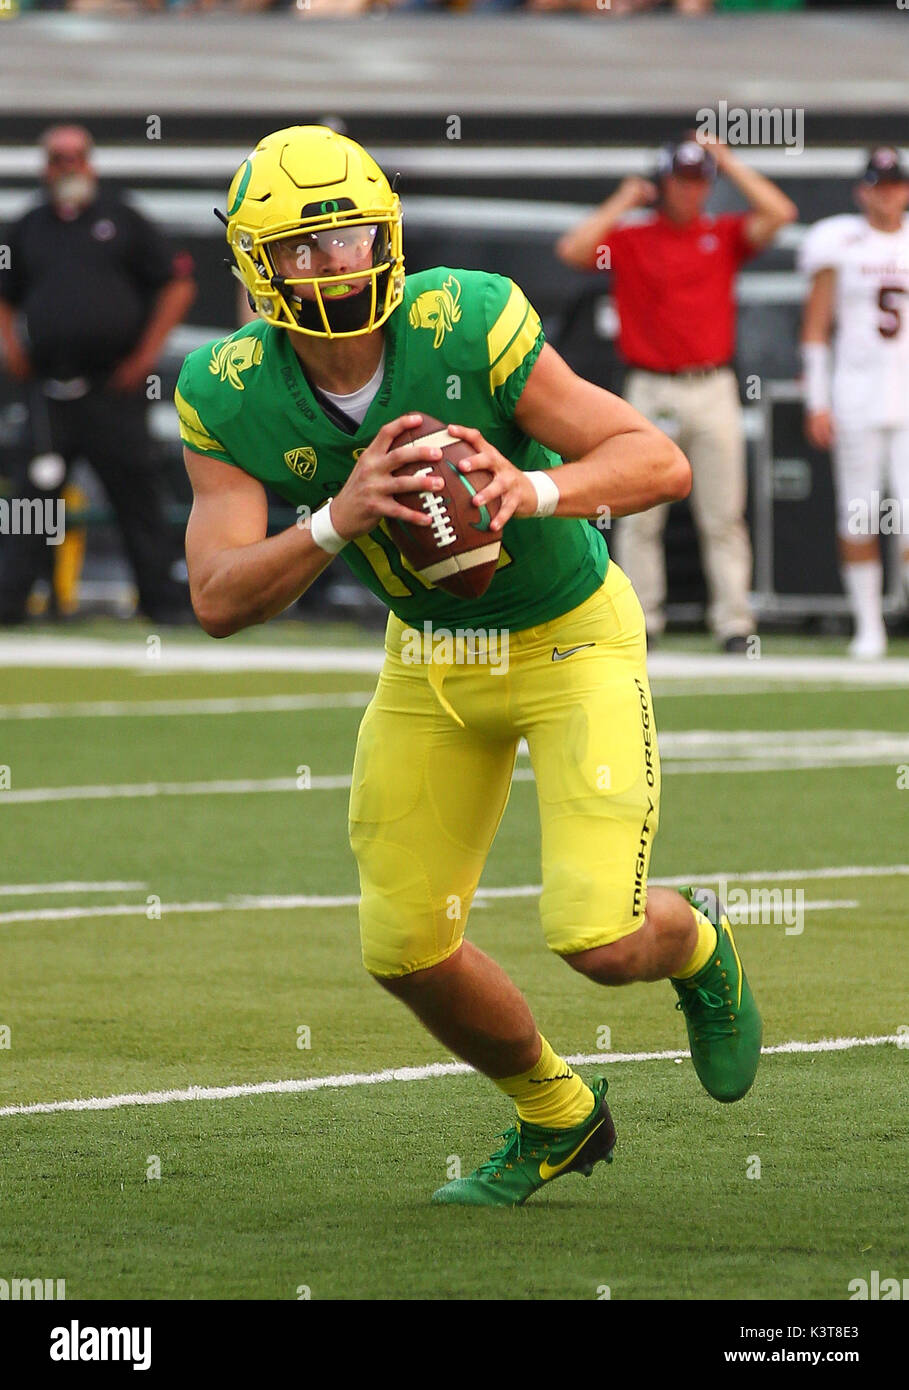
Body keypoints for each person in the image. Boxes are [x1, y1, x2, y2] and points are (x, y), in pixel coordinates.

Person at [175, 126, 762, 1208]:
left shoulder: (466, 317)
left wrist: (530, 488)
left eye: (347, 236)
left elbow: (657, 459)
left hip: (570, 632)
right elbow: (214, 599)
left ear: (384, 235)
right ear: (257, 265)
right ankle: (558, 1114)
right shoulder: (226, 387)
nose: (334, 263)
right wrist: (334, 522)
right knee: (402, 945)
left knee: (600, 936)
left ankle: (700, 947)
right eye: (302, 248)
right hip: (431, 660)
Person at [556, 136, 797, 652]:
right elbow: (572, 250)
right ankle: (644, 620)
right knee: (640, 513)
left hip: (712, 384)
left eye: (699, 180)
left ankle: (735, 624)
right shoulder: (635, 238)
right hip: (650, 385)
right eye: (682, 180)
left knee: (724, 512)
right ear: (662, 184)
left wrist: (728, 160)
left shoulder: (723, 234)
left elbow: (780, 211)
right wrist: (624, 199)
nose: (691, 191)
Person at [0, 124, 197, 625]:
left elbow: (177, 282)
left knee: (138, 496)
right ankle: (14, 603)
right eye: (57, 158)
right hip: (48, 388)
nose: (67, 167)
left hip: (113, 387)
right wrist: (13, 347)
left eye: (76, 157)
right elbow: (6, 292)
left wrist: (144, 356)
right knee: (30, 499)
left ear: (91, 163)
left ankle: (162, 603)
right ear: (44, 167)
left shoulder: (121, 217)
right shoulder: (30, 226)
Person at [800, 146, 909, 660]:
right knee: (860, 514)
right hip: (857, 395)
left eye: (896, 184)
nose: (888, 195)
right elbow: (817, 327)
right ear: (862, 190)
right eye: (879, 185)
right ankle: (869, 626)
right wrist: (817, 400)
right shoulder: (838, 241)